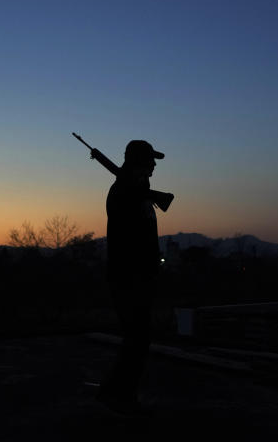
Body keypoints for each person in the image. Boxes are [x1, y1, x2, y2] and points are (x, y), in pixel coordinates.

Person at [97, 139, 165, 416]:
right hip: (129, 277)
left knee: (137, 339)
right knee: (137, 338)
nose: (153, 167)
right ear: (139, 162)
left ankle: (118, 393)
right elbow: (128, 238)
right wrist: (137, 190)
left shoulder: (136, 191)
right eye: (150, 162)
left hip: (138, 277)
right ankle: (120, 397)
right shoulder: (124, 192)